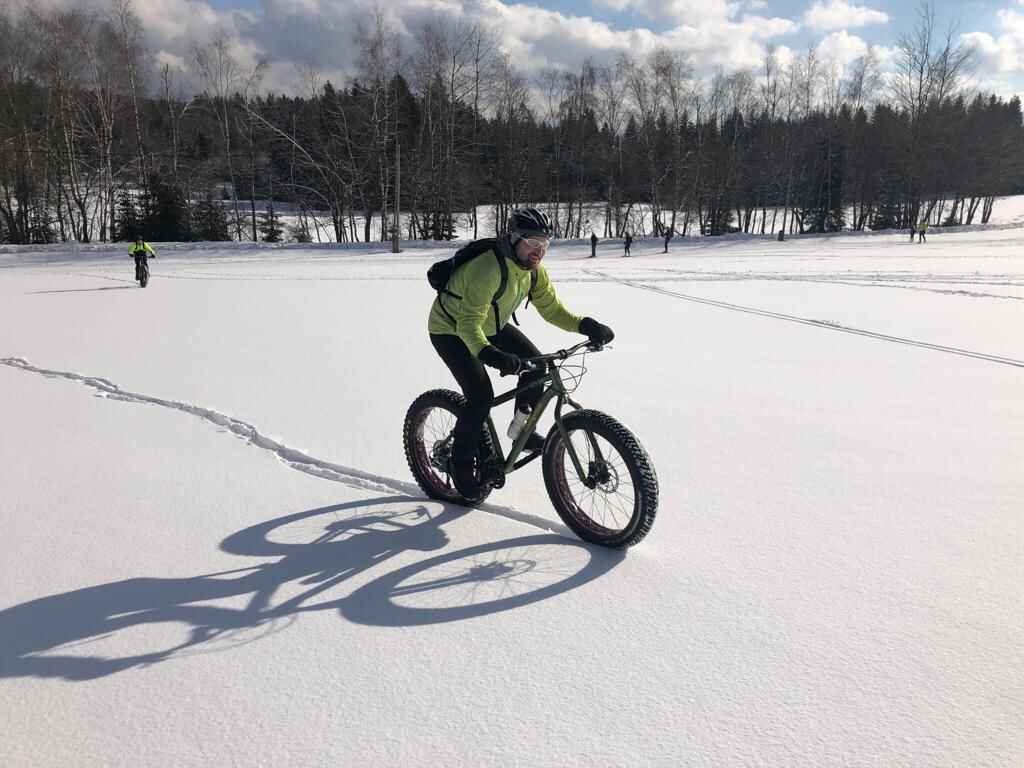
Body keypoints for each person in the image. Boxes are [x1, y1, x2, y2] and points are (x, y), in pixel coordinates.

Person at [428, 207, 615, 498]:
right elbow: (468, 323)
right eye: (533, 242)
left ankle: (520, 431)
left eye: (545, 243)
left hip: (491, 324)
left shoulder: (534, 272)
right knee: (480, 396)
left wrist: (586, 325)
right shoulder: (487, 268)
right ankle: (460, 463)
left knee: (537, 368)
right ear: (514, 239)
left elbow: (553, 310)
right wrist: (490, 354)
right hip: (450, 329)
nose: (539, 251)